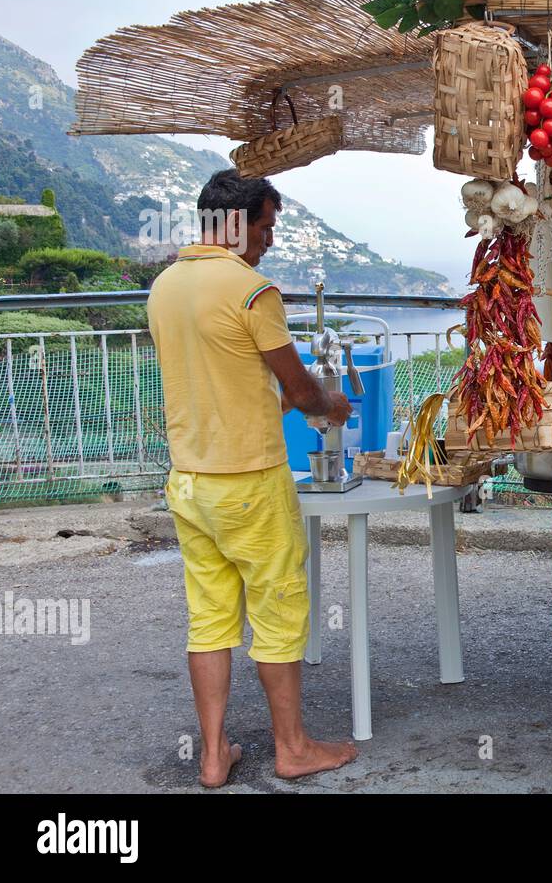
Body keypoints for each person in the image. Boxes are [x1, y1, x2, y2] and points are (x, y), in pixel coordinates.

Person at [148, 169, 358, 787]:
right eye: (266, 227)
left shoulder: (163, 286)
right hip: (249, 482)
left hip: (188, 480)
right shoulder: (252, 292)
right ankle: (292, 748)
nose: (268, 241)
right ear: (237, 224)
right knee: (278, 612)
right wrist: (333, 404)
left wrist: (286, 399)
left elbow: (223, 377)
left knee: (209, 619)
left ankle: (214, 756)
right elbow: (299, 388)